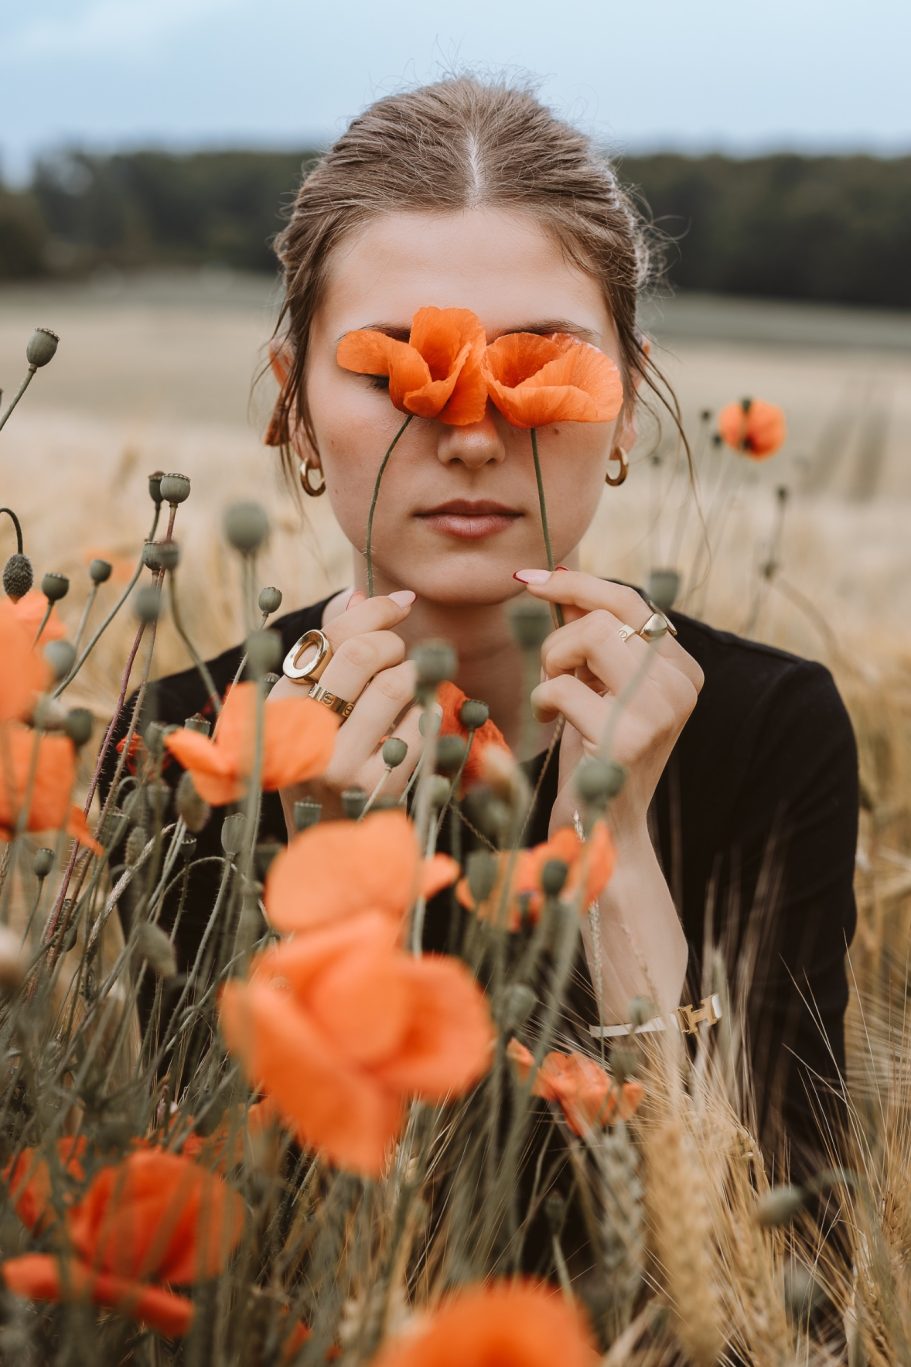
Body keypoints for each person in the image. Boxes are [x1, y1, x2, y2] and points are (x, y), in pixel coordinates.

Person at [101, 76, 858, 1346]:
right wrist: (331, 871)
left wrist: (610, 858)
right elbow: (233, 1284)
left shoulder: (769, 730)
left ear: (625, 389)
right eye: (392, 361)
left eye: (537, 360)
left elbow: (782, 1287)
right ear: (292, 402)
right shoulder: (184, 744)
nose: (466, 428)